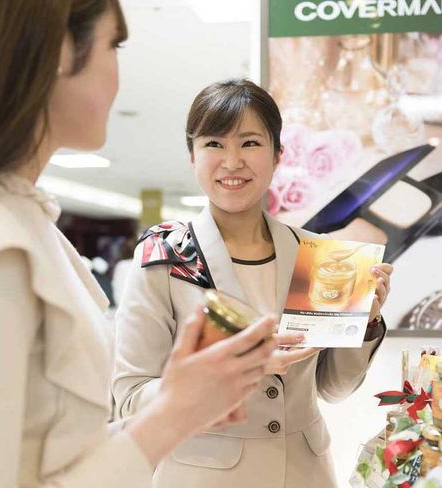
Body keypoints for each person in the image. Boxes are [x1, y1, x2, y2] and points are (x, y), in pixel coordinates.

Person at [0, 2, 276, 487]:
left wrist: (184, 403)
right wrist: (172, 415)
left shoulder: (25, 223)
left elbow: (56, 449)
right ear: (59, 50)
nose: (118, 75)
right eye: (113, 45)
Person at [112, 78, 393, 487]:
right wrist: (238, 368)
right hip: (203, 476)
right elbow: (132, 398)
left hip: (305, 473)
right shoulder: (164, 258)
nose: (232, 162)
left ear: (277, 155)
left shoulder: (318, 255)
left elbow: (333, 388)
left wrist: (364, 322)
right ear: (192, 155)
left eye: (249, 143)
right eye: (214, 144)